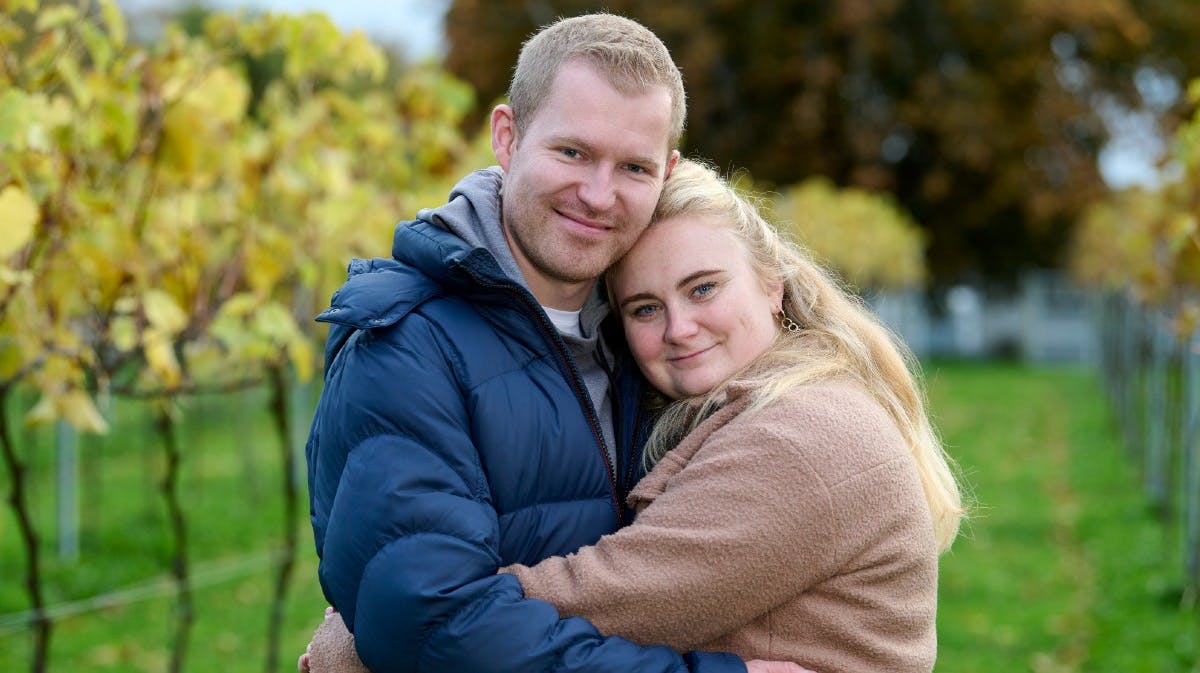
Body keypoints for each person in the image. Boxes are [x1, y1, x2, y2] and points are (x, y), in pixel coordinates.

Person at [305, 158, 965, 672]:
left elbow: (604, 598)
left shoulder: (805, 437)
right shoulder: (766, 402)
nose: (680, 327)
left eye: (703, 288)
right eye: (645, 308)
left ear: (772, 284)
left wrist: (362, 635)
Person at [303, 11, 805, 673]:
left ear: (668, 170)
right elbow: (433, 625)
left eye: (633, 166)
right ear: (507, 138)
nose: (598, 195)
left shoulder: (649, 337)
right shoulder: (405, 348)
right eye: (572, 152)